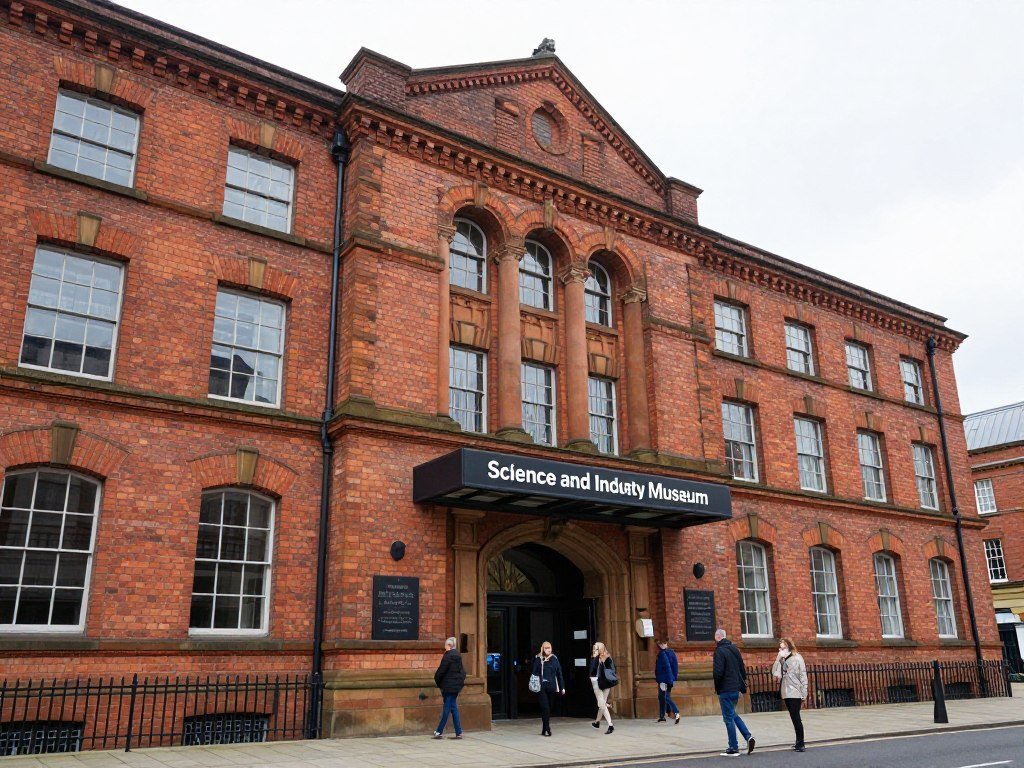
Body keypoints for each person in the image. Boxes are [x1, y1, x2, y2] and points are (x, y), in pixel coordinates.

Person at [713, 628, 755, 757]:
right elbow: (742, 668)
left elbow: (718, 672)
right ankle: (748, 736)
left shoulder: (719, 651)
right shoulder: (734, 649)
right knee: (732, 714)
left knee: (728, 719)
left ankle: (733, 747)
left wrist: (718, 688)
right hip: (736, 688)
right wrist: (741, 686)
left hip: (725, 689)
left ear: (717, 637)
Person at [772, 637, 808, 752]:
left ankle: (801, 743)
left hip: (796, 691)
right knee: (793, 716)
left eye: (783, 647)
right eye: (780, 648)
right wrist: (778, 658)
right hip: (786, 691)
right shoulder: (783, 659)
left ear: (789, 646)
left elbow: (803, 675)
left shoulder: (797, 658)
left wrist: (804, 692)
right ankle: (798, 742)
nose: (781, 650)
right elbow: (775, 673)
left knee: (796, 717)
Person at [432, 636, 466, 740]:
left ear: (449, 645)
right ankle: (458, 732)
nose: (445, 647)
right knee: (453, 708)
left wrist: (438, 681)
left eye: (446, 645)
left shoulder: (448, 656)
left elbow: (441, 671)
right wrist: (459, 683)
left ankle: (439, 731)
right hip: (455, 686)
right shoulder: (458, 656)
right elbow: (463, 672)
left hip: (448, 686)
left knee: (447, 708)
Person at [531, 640, 566, 736]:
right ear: (542, 649)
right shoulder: (538, 658)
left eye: (549, 647)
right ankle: (547, 729)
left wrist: (562, 687)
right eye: (546, 648)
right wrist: (538, 659)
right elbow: (533, 671)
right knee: (545, 707)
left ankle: (544, 728)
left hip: (551, 687)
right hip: (541, 687)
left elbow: (559, 673)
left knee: (549, 708)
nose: (548, 649)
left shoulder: (554, 659)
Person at [588, 641, 616, 734]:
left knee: (601, 704)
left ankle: (610, 725)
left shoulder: (602, 657)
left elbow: (593, 669)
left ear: (599, 649)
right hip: (605, 682)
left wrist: (596, 658)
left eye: (596, 648)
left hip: (599, 682)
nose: (594, 649)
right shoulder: (605, 656)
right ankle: (597, 722)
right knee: (602, 703)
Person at [654, 639, 681, 723]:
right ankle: (664, 715)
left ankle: (675, 712)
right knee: (663, 696)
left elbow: (663, 668)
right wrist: (673, 677)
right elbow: (675, 666)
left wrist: (659, 679)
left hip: (663, 680)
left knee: (665, 697)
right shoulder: (671, 653)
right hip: (669, 679)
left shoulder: (662, 654)